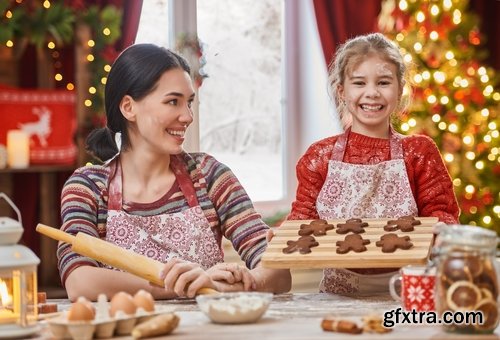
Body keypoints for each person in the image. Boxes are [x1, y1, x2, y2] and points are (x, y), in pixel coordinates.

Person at [57, 43, 291, 301]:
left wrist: (230, 286)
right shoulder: (87, 187)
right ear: (128, 107)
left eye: (189, 102)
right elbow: (80, 281)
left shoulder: (209, 175)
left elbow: (277, 272)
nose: (188, 116)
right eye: (173, 102)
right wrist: (183, 285)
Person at [287, 32, 459, 294]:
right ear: (342, 91)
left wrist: (441, 227)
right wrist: (282, 235)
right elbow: (304, 220)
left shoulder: (419, 152)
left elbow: (442, 212)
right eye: (359, 83)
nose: (371, 93)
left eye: (383, 82)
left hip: (408, 289)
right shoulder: (319, 156)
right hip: (338, 294)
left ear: (400, 89)